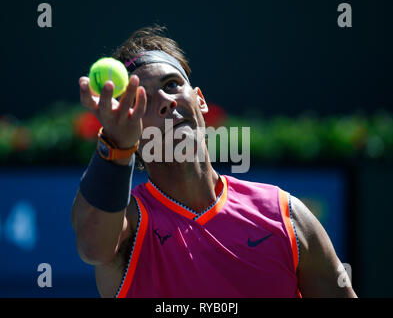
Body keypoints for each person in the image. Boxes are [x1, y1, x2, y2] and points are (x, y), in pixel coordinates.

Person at [71, 25, 357, 298]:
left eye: (172, 84)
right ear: (131, 123)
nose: (166, 100)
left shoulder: (286, 215)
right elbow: (92, 247)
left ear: (200, 100)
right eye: (143, 99)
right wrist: (116, 145)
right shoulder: (128, 225)